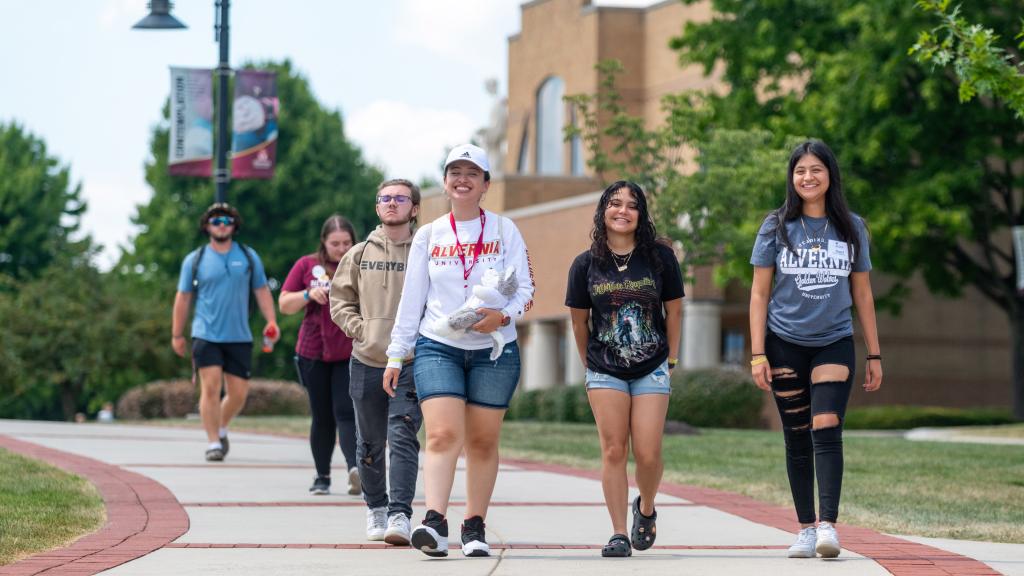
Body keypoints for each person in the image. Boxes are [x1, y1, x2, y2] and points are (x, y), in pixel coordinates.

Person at [383, 144, 534, 558]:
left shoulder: (505, 230)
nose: (462, 179)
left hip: (494, 349)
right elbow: (411, 299)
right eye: (455, 172)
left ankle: (474, 526)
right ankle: (434, 522)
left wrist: (500, 318)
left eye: (473, 172)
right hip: (439, 345)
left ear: (486, 184)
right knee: (444, 433)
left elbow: (525, 291)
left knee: (483, 441)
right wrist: (397, 354)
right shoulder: (430, 235)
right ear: (446, 182)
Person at [749, 140, 882, 559]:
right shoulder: (775, 226)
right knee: (796, 436)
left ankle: (828, 526)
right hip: (783, 343)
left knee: (825, 425)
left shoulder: (851, 227)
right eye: (800, 170)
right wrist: (757, 353)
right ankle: (805, 528)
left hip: (834, 341)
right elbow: (758, 293)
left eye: (816, 170)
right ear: (792, 177)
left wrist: (875, 353)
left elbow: (862, 293)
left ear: (830, 176)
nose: (808, 177)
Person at [565, 180, 684, 558]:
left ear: (641, 214)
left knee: (648, 453)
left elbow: (675, 310)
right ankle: (618, 532)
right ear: (602, 211)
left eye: (632, 205)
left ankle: (645, 508)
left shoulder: (661, 258)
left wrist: (673, 357)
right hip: (604, 369)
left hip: (652, 367)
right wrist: (589, 363)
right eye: (615, 203)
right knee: (614, 450)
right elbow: (578, 321)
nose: (623, 210)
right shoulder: (585, 264)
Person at [331, 179, 423, 545]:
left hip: (411, 360)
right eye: (385, 198)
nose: (391, 203)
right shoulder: (357, 253)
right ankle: (376, 508)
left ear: (414, 208)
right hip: (366, 359)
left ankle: (400, 513)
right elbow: (340, 301)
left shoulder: (425, 250)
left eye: (400, 198)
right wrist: (361, 330)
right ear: (376, 207)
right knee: (369, 442)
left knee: (403, 435)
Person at [172, 202, 278, 462]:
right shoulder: (195, 260)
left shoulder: (248, 256)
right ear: (207, 226)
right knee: (210, 387)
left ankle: (220, 427)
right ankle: (212, 443)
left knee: (239, 393)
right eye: (216, 221)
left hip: (239, 335)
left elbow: (262, 290)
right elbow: (183, 297)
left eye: (226, 221)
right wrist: (177, 334)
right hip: (205, 333)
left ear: (234, 225)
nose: (221, 225)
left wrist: (271, 321)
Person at [279, 215, 360, 496]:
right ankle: (322, 476)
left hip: (349, 350)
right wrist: (307, 295)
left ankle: (355, 471)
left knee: (346, 412)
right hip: (313, 353)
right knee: (322, 416)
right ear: (324, 243)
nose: (341, 248)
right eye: (335, 243)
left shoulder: (361, 263)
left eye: (346, 242)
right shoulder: (306, 265)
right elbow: (284, 304)